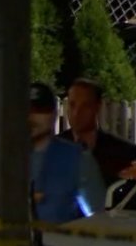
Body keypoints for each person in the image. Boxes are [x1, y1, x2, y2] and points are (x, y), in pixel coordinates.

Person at [29, 82, 106, 222]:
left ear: (54, 114)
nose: (32, 117)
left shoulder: (79, 159)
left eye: (40, 110)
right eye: (27, 109)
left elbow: (97, 219)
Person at [58, 78, 136, 186]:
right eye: (72, 105)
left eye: (85, 106)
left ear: (97, 107)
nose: (76, 113)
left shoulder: (124, 152)